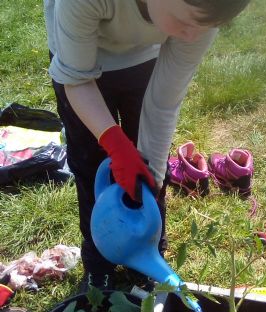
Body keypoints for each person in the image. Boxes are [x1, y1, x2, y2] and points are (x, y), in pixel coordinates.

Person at [44, 0, 251, 291]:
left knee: (148, 168)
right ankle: (98, 262)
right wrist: (114, 143)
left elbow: (163, 105)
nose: (193, 36)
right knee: (90, 161)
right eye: (185, 22)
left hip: (144, 56)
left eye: (209, 27)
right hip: (77, 56)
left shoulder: (201, 16)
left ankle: (146, 251)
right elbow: (77, 81)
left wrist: (151, 178)